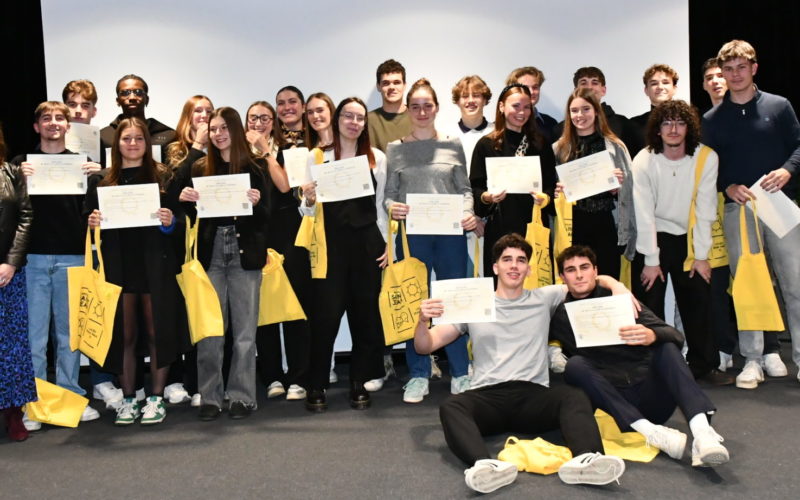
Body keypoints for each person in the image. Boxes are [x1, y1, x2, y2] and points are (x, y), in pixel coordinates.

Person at [416, 234, 626, 493]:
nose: (514, 266)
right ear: (495, 267)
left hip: (532, 395)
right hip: (488, 397)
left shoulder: (543, 297)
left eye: (521, 260)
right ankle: (486, 466)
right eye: (507, 260)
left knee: (574, 396)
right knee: (451, 406)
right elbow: (424, 346)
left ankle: (588, 460)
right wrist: (422, 321)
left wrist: (618, 288)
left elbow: (585, 279)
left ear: (528, 269)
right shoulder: (475, 304)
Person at [550, 245, 730, 468]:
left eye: (584, 267)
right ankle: (651, 432)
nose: (578, 275)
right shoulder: (560, 315)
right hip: (614, 404)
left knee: (666, 347)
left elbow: (675, 336)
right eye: (571, 270)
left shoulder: (620, 298)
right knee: (574, 366)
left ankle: (702, 433)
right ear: (562, 277)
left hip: (651, 394)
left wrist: (651, 335)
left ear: (595, 271)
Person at [702, 39, 800, 389]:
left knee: (795, 283)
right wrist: (727, 186)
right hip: (738, 209)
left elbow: (799, 147)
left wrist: (788, 169)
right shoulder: (712, 120)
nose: (735, 74)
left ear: (754, 68)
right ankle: (753, 360)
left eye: (741, 67)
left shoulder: (779, 106)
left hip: (780, 206)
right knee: (746, 287)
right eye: (728, 69)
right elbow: (708, 170)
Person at [85, 118, 189, 425]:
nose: (132, 144)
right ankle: (129, 399)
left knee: (158, 331)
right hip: (120, 266)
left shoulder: (165, 176)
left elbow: (181, 221)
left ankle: (155, 398)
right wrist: (92, 221)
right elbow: (88, 222)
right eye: (126, 139)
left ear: (147, 143)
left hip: (156, 265)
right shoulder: (103, 181)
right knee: (124, 335)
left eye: (138, 139)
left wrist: (170, 221)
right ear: (117, 144)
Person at [177, 107, 278, 420]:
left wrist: (258, 203)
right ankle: (210, 396)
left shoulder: (256, 166)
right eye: (214, 128)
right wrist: (186, 200)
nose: (218, 134)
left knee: (245, 332)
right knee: (211, 330)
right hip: (211, 251)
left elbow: (268, 216)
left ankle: (242, 396)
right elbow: (183, 208)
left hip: (244, 250)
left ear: (236, 131)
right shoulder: (199, 167)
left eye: (224, 128)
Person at [385, 78, 477, 404]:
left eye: (428, 105)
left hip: (451, 233)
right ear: (408, 111)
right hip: (413, 237)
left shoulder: (452, 145)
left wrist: (468, 212)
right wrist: (392, 208)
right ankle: (418, 374)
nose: (422, 111)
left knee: (454, 299)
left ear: (436, 108)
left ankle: (461, 371)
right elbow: (389, 197)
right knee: (416, 301)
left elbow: (465, 190)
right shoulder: (395, 149)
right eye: (415, 106)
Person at [631, 100, 733, 385]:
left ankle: (703, 366)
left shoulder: (705, 157)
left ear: (690, 127)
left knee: (699, 300)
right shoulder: (644, 159)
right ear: (658, 129)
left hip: (689, 237)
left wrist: (701, 256)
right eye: (666, 123)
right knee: (648, 305)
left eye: (680, 123)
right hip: (654, 237)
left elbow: (705, 209)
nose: (673, 129)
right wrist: (651, 260)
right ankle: (652, 368)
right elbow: (644, 213)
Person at [13, 102, 102, 430]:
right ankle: (34, 405)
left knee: (69, 337)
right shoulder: (20, 165)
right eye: (46, 118)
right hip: (33, 259)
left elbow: (96, 210)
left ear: (68, 126)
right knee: (35, 338)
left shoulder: (84, 165)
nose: (53, 123)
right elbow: (9, 211)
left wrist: (100, 176)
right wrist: (16, 180)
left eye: (59, 118)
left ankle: (70, 398)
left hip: (72, 257)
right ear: (37, 126)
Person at [301, 97, 388, 411]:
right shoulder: (318, 157)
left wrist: (387, 243)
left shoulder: (376, 157)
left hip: (367, 245)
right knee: (324, 318)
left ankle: (358, 382)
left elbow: (380, 206)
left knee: (365, 317)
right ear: (337, 120)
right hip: (330, 246)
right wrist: (308, 199)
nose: (354, 122)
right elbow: (306, 211)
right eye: (348, 116)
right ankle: (317, 384)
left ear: (365, 124)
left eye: (360, 118)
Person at [62, 79, 125, 408]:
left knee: (100, 309)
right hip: (64, 241)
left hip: (101, 244)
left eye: (84, 105)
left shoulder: (105, 144)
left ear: (94, 110)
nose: (78, 111)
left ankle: (103, 378)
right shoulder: (50, 146)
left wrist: (101, 170)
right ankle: (69, 388)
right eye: (72, 105)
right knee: (68, 320)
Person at [254, 92, 313, 401]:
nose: (260, 123)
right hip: (257, 233)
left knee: (294, 303)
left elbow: (285, 185)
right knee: (264, 306)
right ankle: (272, 376)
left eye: (265, 118)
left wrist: (266, 151)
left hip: (290, 230)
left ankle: (299, 377)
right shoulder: (242, 152)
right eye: (254, 118)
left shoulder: (295, 148)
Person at [470, 83, 557, 278]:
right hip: (500, 228)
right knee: (501, 287)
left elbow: (551, 186)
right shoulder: (486, 145)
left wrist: (547, 198)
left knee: (536, 286)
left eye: (527, 107)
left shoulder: (540, 144)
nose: (522, 112)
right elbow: (475, 189)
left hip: (534, 227)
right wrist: (486, 197)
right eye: (516, 106)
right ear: (501, 106)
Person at [553, 88, 635, 279]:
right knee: (576, 283)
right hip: (573, 225)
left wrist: (618, 188)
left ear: (596, 111)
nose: (579, 115)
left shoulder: (615, 146)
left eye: (586, 109)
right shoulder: (559, 148)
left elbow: (630, 192)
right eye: (574, 111)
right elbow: (551, 193)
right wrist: (557, 192)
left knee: (607, 282)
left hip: (605, 223)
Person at [0, 125, 36, 442]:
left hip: (8, 272)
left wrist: (11, 261)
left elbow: (25, 216)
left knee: (12, 347)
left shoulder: (11, 172)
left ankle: (14, 413)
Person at [450, 75, 493, 279]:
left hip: (491, 222)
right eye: (464, 96)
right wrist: (470, 216)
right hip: (458, 222)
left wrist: (481, 214)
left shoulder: (498, 133)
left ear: (485, 99)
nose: (470, 100)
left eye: (476, 95)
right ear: (457, 101)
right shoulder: (446, 136)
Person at [563, 67, 643, 154]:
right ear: (576, 90)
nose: (589, 87)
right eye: (583, 83)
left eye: (595, 83)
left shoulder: (624, 125)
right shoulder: (560, 130)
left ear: (603, 90)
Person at [100, 75, 176, 161]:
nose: (132, 97)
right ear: (118, 101)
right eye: (125, 93)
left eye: (138, 92)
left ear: (147, 99)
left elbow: (176, 172)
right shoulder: (102, 137)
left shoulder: (169, 136)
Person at [368, 59, 412, 152]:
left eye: (397, 82)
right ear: (378, 86)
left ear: (404, 85)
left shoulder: (418, 116)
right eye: (386, 83)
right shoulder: (368, 121)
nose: (392, 87)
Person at [505, 66, 558, 143]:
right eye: (525, 87)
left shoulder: (550, 123)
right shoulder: (500, 125)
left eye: (535, 87)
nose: (531, 92)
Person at [165, 95, 214, 170]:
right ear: (188, 115)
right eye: (198, 111)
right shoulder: (175, 150)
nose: (204, 115)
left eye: (209, 111)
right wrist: (198, 144)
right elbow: (178, 181)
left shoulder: (219, 146)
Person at [630, 64, 679, 137]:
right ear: (646, 90)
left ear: (674, 89)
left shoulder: (687, 121)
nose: (660, 87)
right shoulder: (633, 124)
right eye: (654, 83)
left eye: (665, 82)